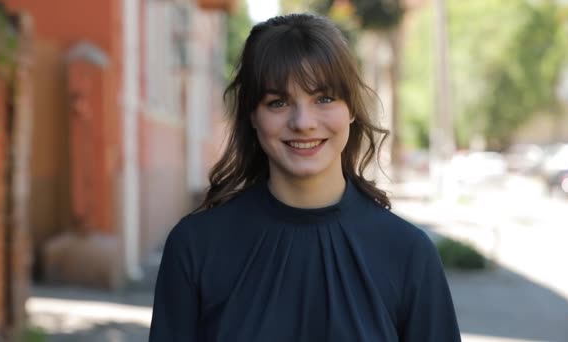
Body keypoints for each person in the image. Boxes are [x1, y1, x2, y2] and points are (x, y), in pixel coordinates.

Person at [150, 13, 460, 342]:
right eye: (278, 102)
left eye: (324, 98)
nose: (303, 122)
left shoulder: (408, 254)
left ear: (351, 109)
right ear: (252, 116)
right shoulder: (195, 247)